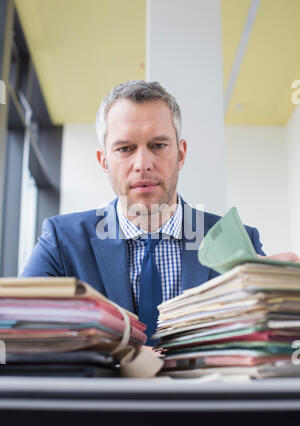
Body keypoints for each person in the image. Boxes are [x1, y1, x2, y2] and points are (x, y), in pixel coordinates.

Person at [20, 80, 300, 345]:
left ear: (180, 154)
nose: (143, 164)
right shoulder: (61, 241)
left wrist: (285, 305)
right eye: (125, 148)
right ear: (104, 161)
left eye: (158, 146)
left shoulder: (238, 242)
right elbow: (18, 329)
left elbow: (272, 343)